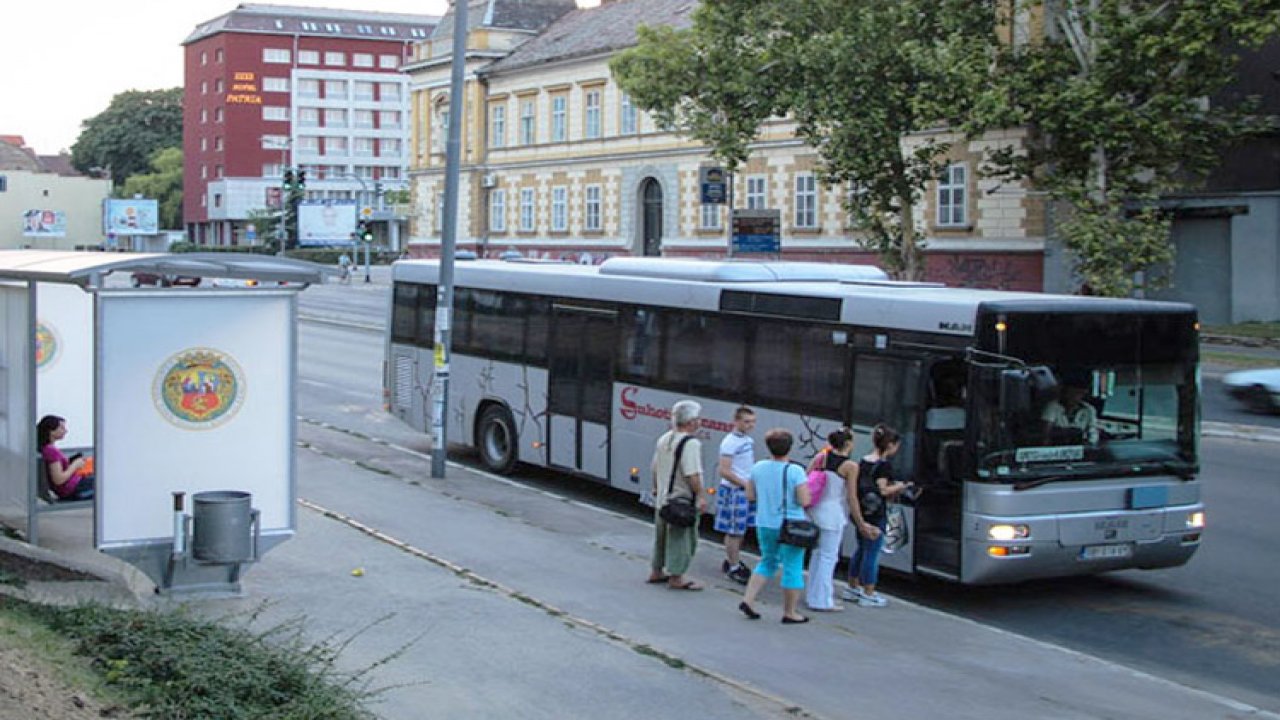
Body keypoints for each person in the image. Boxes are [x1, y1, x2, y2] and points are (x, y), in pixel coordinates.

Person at [739, 428, 813, 624]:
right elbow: (804, 500)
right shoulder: (795, 471)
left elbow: (750, 496)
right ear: (789, 448)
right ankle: (790, 612)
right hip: (791, 525)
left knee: (767, 561)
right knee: (792, 567)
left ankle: (748, 599)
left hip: (764, 522)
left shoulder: (758, 467)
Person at [805, 428, 878, 612]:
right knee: (828, 557)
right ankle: (822, 600)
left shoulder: (821, 457)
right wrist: (861, 523)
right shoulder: (850, 466)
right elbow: (851, 498)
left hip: (815, 510)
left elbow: (807, 477)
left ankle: (813, 595)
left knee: (817, 554)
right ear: (847, 444)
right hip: (833, 513)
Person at [843, 424, 912, 608]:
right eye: (896, 446)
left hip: (862, 511)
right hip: (876, 513)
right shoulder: (884, 465)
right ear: (890, 446)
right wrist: (901, 486)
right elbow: (883, 489)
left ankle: (852, 587)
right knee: (872, 552)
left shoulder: (863, 461)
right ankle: (869, 592)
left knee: (861, 549)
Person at [646, 400, 708, 591]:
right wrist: (701, 495)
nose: (700, 422)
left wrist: (656, 487)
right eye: (698, 419)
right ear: (691, 422)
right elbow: (692, 473)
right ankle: (677, 576)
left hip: (663, 499)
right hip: (680, 499)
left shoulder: (665, 438)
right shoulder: (691, 444)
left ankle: (656, 570)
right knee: (681, 539)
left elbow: (654, 467)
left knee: (661, 536)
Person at [714, 406, 757, 584]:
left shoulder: (746, 440)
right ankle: (733, 566)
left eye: (753, 422)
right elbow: (724, 471)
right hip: (734, 491)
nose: (750, 425)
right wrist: (745, 484)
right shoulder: (730, 443)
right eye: (746, 421)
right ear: (736, 421)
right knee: (734, 531)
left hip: (743, 490)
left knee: (741, 530)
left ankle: (733, 560)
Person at [36, 415, 94, 501]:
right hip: (74, 489)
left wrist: (69, 463)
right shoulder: (51, 452)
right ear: (51, 431)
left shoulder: (47, 449)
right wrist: (75, 465)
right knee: (107, 481)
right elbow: (58, 479)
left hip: (74, 485)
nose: (66, 431)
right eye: (62, 428)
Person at [1041, 372, 1099, 445]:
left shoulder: (1089, 410)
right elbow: (1046, 432)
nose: (1074, 396)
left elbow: (1093, 432)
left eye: (1079, 393)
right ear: (1065, 392)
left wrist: (1088, 441)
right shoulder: (1052, 407)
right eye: (1072, 393)